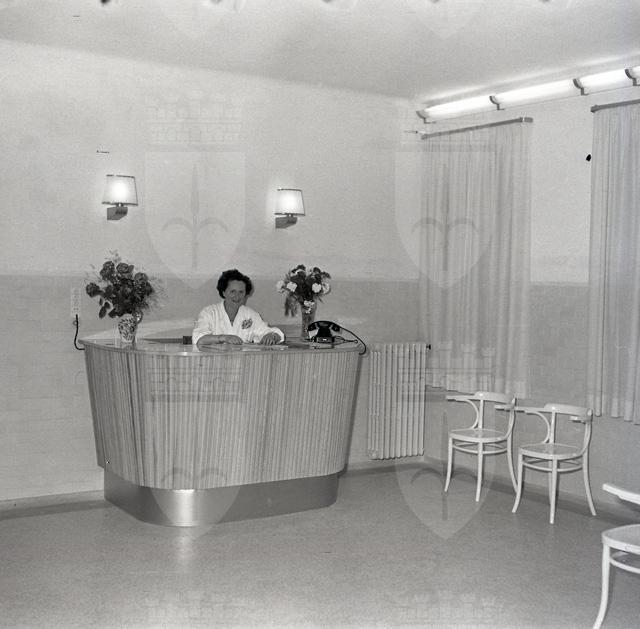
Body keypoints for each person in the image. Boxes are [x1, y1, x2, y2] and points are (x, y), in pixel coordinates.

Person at [193, 269, 284, 347]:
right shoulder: (209, 313)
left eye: (241, 292)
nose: (237, 296)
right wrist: (223, 338)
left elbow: (272, 333)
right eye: (233, 291)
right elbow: (199, 340)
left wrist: (271, 336)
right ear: (223, 292)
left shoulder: (250, 314)